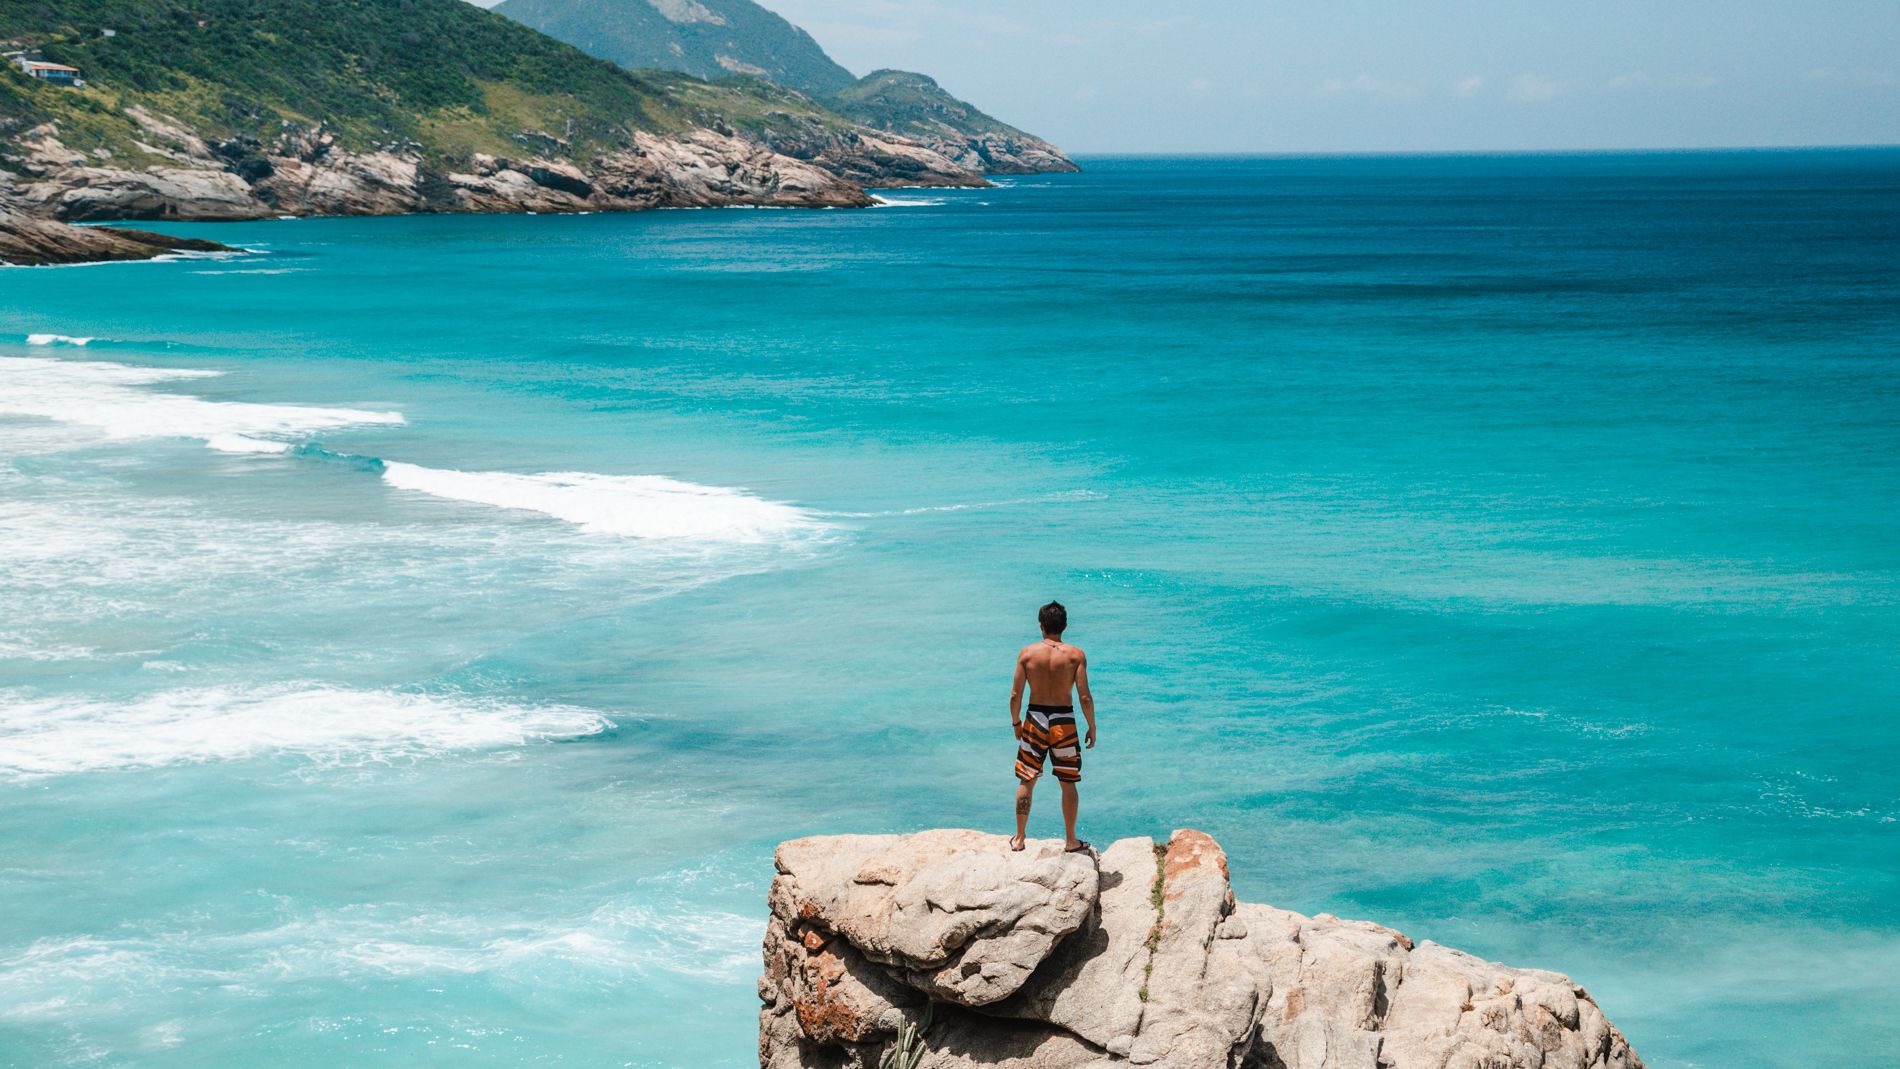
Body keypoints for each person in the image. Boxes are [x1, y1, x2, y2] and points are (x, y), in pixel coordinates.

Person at [1009, 600, 1096, 853]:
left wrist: (1016, 722)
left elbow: (1015, 695)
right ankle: (1070, 840)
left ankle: (1019, 838)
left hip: (1035, 718)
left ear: (1041, 626)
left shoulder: (1027, 654)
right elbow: (1085, 697)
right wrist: (1091, 726)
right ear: (1065, 626)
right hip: (1064, 722)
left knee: (1027, 778)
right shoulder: (1075, 655)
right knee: (1068, 782)